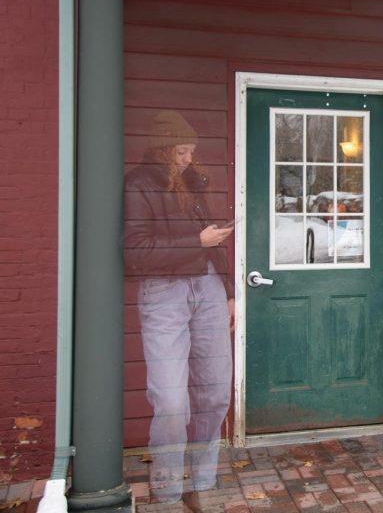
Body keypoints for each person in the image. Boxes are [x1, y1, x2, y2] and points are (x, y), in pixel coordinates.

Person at [124, 110, 234, 508]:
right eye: (182, 151)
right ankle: (168, 488)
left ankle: (200, 484)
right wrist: (197, 241)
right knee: (171, 400)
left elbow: (212, 244)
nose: (188, 158)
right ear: (163, 150)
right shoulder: (137, 184)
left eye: (191, 151)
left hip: (208, 288)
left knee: (216, 393)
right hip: (164, 292)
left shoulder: (190, 183)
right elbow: (134, 252)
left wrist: (229, 293)